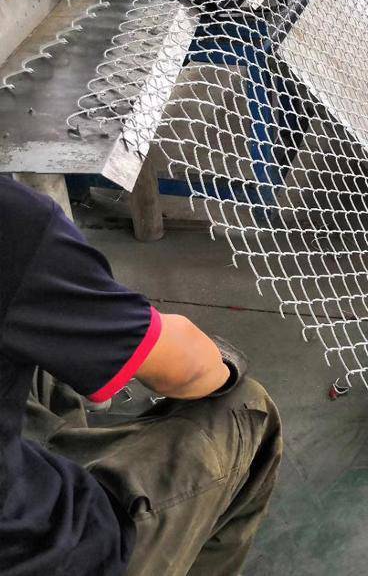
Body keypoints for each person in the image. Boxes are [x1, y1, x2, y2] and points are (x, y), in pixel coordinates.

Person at [0, 176, 282, 576]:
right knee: (246, 408)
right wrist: (218, 358)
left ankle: (75, 449)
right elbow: (192, 374)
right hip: (35, 556)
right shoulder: (13, 221)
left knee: (44, 348)